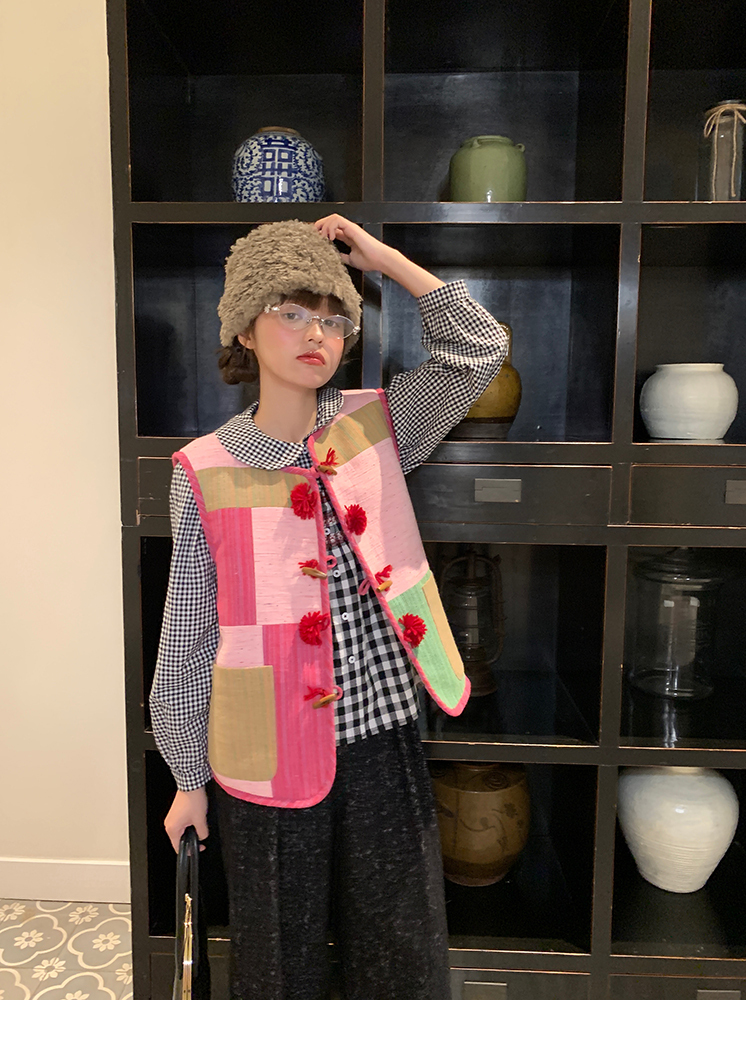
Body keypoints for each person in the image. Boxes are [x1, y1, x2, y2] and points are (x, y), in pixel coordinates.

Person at [150, 214, 510, 999]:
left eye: (334, 317)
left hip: (382, 731)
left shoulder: (375, 425)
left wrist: (383, 261)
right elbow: (186, 637)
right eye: (292, 311)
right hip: (264, 748)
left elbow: (478, 348)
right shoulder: (203, 470)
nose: (317, 332)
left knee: (400, 956)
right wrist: (186, 776)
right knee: (278, 966)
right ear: (244, 329)